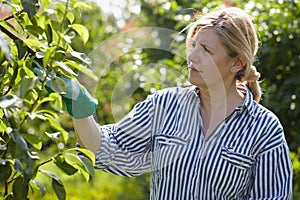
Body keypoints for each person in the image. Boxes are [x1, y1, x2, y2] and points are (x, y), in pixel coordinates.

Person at [43, 6, 293, 199]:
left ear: (236, 63)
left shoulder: (264, 130)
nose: (192, 56)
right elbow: (106, 148)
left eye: (206, 49)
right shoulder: (166, 105)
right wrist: (79, 107)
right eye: (193, 45)